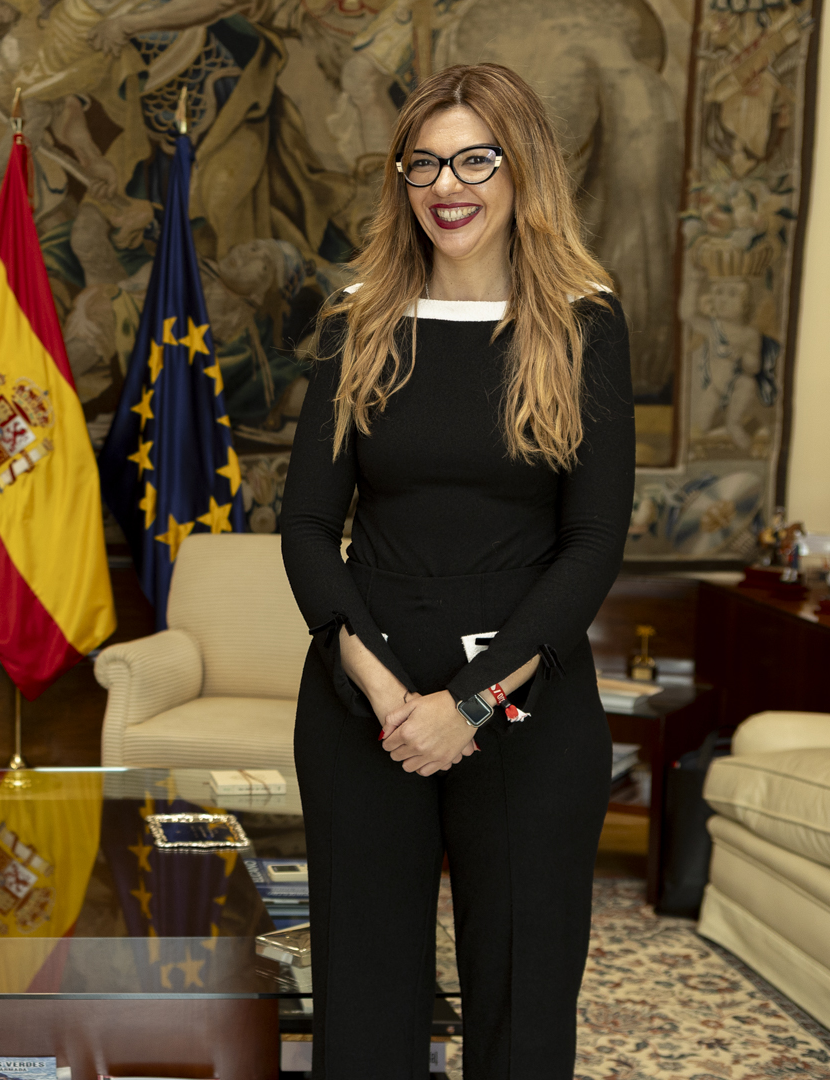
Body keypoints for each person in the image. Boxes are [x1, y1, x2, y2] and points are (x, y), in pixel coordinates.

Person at [279, 64, 634, 1078]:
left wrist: (468, 704)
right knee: (364, 996)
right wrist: (387, 693)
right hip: (365, 707)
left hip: (527, 706)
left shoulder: (581, 322)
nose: (447, 184)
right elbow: (305, 526)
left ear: (521, 168)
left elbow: (593, 541)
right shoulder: (354, 321)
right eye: (423, 162)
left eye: (474, 157)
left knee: (521, 1002)